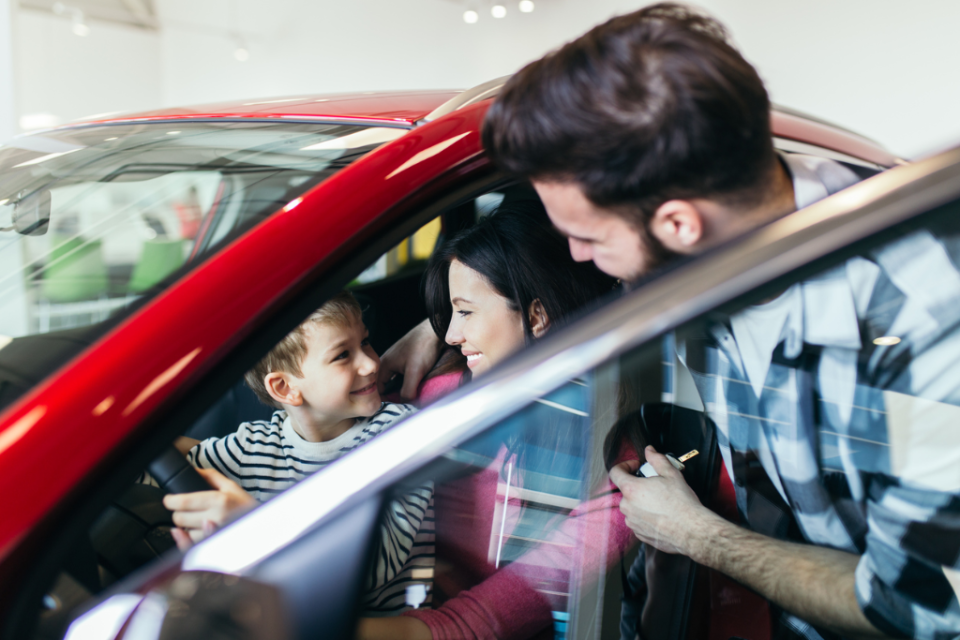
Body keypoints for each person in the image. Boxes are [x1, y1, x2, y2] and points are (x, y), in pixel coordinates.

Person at [383, 4, 960, 639]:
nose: (579, 256)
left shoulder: (927, 320)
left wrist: (700, 536)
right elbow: (549, 286)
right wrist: (445, 321)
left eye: (587, 237)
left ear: (681, 226)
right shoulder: (712, 238)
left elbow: (922, 607)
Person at [359, 199, 634, 640]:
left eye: (464, 312)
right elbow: (330, 442)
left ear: (537, 316)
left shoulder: (612, 478)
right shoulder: (438, 393)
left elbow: (474, 624)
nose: (449, 334)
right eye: (447, 317)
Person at [162, 291, 429, 615]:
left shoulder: (400, 434)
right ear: (285, 388)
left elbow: (372, 570)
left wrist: (256, 527)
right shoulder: (252, 446)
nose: (372, 362)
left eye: (366, 342)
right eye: (343, 355)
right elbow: (171, 462)